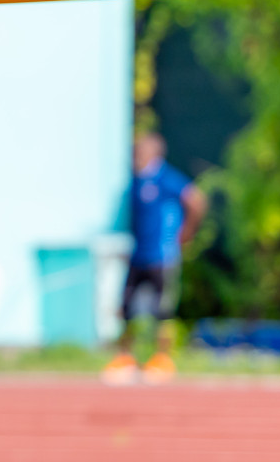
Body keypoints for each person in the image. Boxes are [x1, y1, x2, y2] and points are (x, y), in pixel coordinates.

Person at [103, 132, 206, 385]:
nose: (135, 156)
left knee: (163, 312)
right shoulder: (135, 182)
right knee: (126, 308)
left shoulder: (166, 178)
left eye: (140, 151)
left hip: (162, 257)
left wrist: (186, 233)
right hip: (138, 255)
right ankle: (125, 359)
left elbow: (196, 200)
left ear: (154, 153)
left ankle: (162, 359)